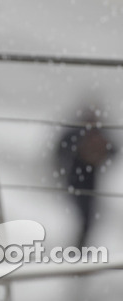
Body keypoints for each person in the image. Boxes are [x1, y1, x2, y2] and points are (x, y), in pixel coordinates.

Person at [54, 101, 117, 248]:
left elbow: (114, 150)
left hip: (90, 181)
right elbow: (61, 150)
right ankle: (76, 251)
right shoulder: (75, 132)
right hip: (74, 178)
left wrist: (100, 153)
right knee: (81, 216)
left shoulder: (100, 133)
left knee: (88, 217)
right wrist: (79, 153)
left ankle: (80, 250)